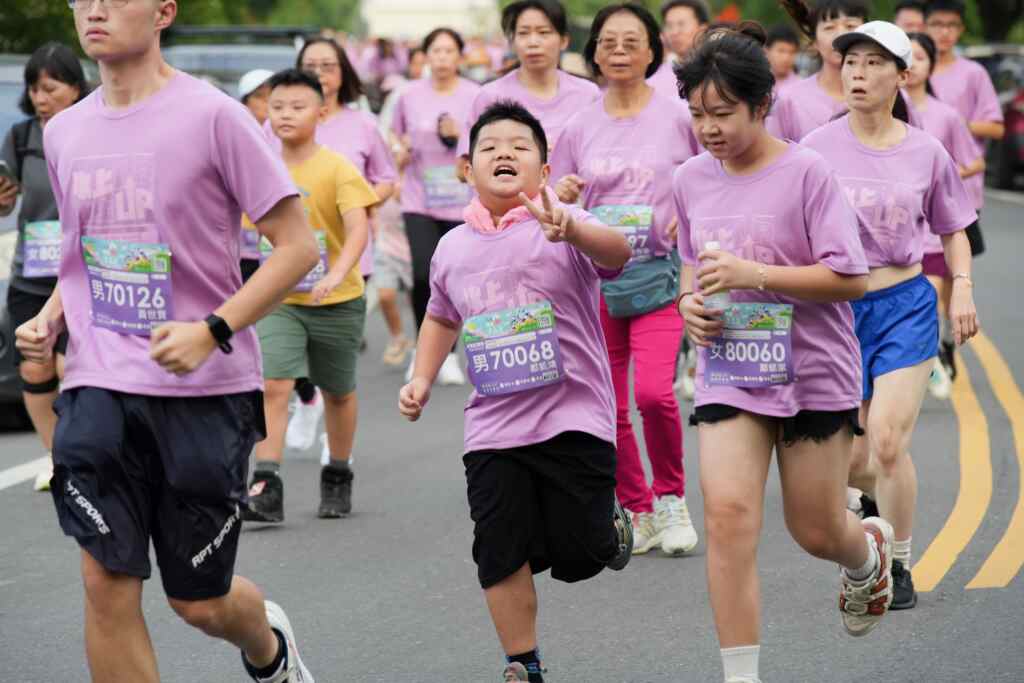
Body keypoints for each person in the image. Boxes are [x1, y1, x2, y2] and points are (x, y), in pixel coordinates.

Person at [15, 0, 320, 680]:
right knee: (104, 582)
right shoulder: (65, 131)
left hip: (204, 390)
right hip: (98, 383)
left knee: (199, 600)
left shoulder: (213, 117)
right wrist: (54, 315)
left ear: (162, 11)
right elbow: (82, 251)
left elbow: (297, 248)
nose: (94, 9)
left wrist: (213, 329)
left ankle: (266, 641)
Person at [674, 23, 896, 683]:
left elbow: (850, 276)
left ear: (760, 104)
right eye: (696, 115)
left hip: (813, 373)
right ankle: (741, 676)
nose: (708, 128)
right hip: (731, 371)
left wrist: (754, 274)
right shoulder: (688, 178)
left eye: (722, 113)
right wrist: (691, 308)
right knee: (728, 514)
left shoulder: (807, 172)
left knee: (816, 530)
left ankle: (866, 553)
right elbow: (693, 264)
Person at [398, 100, 633, 683]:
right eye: (489, 147)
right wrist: (421, 379)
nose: (504, 153)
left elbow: (618, 254)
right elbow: (440, 317)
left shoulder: (564, 224)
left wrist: (571, 225)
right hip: (493, 428)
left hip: (574, 419)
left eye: (520, 146)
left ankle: (609, 525)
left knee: (582, 550)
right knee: (499, 548)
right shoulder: (451, 248)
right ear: (468, 169)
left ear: (545, 171)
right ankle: (522, 664)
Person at [801, 20, 979, 612]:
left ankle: (898, 565)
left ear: (901, 76)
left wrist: (961, 292)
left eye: (876, 64)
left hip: (904, 305)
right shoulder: (816, 149)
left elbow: (955, 229)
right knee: (851, 460)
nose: (859, 73)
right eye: (851, 62)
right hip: (835, 313)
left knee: (886, 442)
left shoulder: (926, 150)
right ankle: (874, 512)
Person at [550, 2, 699, 556]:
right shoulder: (578, 126)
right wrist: (562, 196)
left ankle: (672, 498)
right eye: (608, 42)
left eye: (631, 42)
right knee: (607, 405)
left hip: (659, 278)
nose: (618, 52)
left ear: (652, 50)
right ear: (593, 52)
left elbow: (714, 176)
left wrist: (685, 217)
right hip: (594, 287)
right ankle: (637, 508)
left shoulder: (677, 117)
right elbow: (556, 193)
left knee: (656, 394)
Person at [243, 69, 378, 524]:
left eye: (297, 107)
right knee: (274, 385)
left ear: (321, 113)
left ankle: (337, 473)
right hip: (278, 298)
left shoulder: (337, 167)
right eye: (277, 106)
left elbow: (359, 228)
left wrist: (337, 273)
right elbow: (238, 224)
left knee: (337, 392)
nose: (284, 115)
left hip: (336, 299)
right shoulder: (259, 164)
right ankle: (265, 483)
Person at [269, 39, 396, 454]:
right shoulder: (274, 125)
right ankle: (306, 400)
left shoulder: (360, 127)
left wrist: (352, 204)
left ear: (343, 72)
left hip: (344, 259)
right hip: (282, 267)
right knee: (279, 364)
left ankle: (335, 442)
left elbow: (386, 178)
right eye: (311, 64)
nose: (320, 71)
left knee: (334, 368)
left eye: (328, 64)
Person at [1, 42, 89, 492]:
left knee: (70, 365)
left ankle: (85, 453)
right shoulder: (19, 138)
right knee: (33, 368)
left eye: (50, 87)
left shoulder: (93, 131)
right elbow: (7, 203)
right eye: (34, 88)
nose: (41, 97)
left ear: (75, 88)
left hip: (81, 272)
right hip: (30, 273)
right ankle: (59, 460)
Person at [391, 27, 481, 385]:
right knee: (421, 275)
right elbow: (396, 137)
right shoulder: (408, 96)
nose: (442, 58)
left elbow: (484, 140)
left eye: (449, 51)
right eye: (436, 51)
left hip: (463, 202)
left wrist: (457, 132)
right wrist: (400, 150)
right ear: (425, 57)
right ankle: (422, 347)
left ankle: (450, 355)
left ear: (460, 56)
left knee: (456, 277)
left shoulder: (476, 96)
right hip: (419, 199)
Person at [904, 31, 984, 399]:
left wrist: (937, 177)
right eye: (907, 56)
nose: (913, 64)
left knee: (935, 296)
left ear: (932, 65)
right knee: (920, 300)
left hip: (937, 230)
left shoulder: (947, 116)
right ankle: (927, 354)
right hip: (901, 234)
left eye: (921, 57)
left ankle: (935, 351)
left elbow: (974, 162)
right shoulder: (883, 112)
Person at [457, 1, 600, 164]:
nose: (533, 42)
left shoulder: (588, 94)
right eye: (523, 33)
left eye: (543, 32)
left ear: (564, 40)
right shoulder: (490, 96)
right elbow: (463, 168)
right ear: (512, 41)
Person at [926, 0, 1002, 302]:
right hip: (918, 185)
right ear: (925, 26)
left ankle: (945, 331)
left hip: (963, 187)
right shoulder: (912, 68)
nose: (944, 32)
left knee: (950, 266)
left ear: (961, 30)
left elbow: (996, 127)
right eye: (937, 25)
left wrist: (953, 125)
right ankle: (935, 331)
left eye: (952, 25)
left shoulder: (974, 74)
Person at [648, 0, 710, 100]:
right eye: (669, 26)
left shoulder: (717, 72)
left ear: (702, 29)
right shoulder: (653, 78)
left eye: (681, 24)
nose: (674, 32)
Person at [765, 24, 802, 94]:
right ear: (767, 51)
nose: (786, 58)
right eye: (781, 51)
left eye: (792, 52)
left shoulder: (801, 88)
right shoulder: (756, 83)